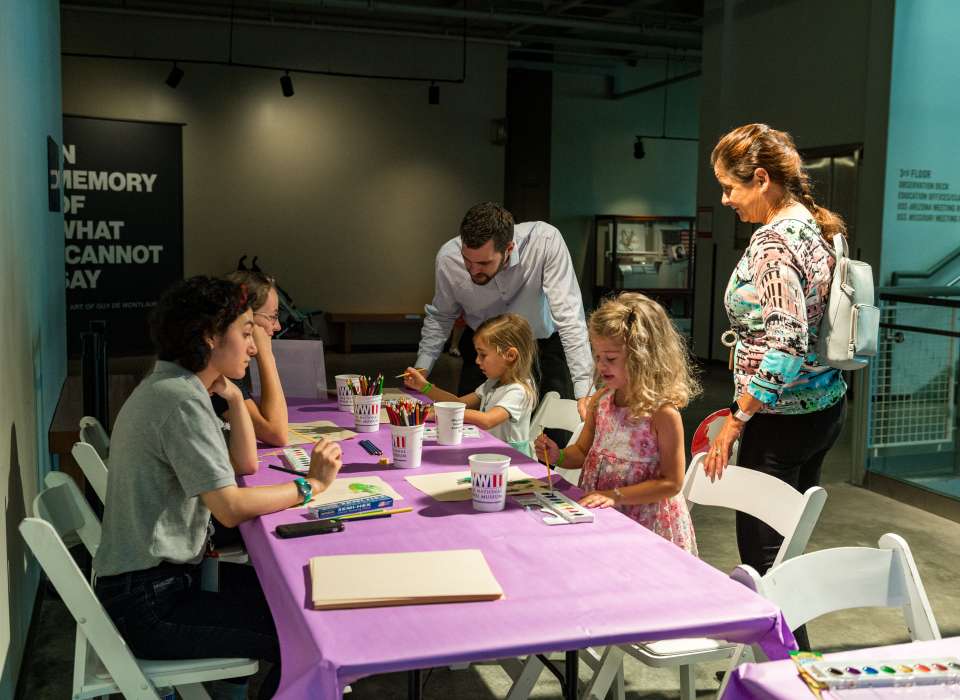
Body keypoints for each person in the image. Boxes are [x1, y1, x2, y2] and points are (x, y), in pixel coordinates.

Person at [93, 276, 343, 699]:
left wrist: (230, 395)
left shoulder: (175, 385)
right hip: (152, 604)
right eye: (246, 333)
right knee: (308, 638)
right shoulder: (180, 401)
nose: (253, 346)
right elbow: (229, 507)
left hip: (155, 585)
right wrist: (312, 485)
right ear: (210, 337)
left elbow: (243, 465)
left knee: (297, 603)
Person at [706, 124, 847, 600]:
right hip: (823, 408)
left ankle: (793, 670)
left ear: (761, 179)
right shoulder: (812, 226)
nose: (726, 200)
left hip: (780, 421)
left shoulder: (773, 242)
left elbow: (786, 342)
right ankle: (786, 666)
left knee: (765, 564)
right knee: (788, 554)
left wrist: (738, 416)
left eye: (729, 187)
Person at [534, 293, 699, 554]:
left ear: (642, 357)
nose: (601, 366)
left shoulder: (663, 414)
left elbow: (672, 482)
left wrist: (615, 495)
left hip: (648, 524)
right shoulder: (601, 401)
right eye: (597, 357)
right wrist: (558, 454)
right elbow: (581, 453)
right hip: (604, 515)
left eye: (610, 359)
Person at [415, 202, 594, 421]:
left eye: (483, 263)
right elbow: (441, 316)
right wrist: (422, 369)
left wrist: (584, 389)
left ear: (509, 249)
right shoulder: (448, 258)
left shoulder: (545, 241)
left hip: (541, 349)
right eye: (467, 260)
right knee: (466, 433)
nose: (473, 270)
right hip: (483, 351)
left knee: (551, 434)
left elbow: (569, 317)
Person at [404, 313, 537, 456]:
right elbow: (458, 403)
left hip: (513, 463)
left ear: (510, 356)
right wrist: (424, 386)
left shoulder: (518, 391)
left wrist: (442, 413)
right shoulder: (493, 383)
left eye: (483, 355)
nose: (477, 361)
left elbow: (487, 420)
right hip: (492, 455)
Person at [209, 270, 289, 451]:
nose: (278, 326)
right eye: (273, 316)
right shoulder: (214, 370)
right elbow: (276, 433)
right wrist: (266, 354)